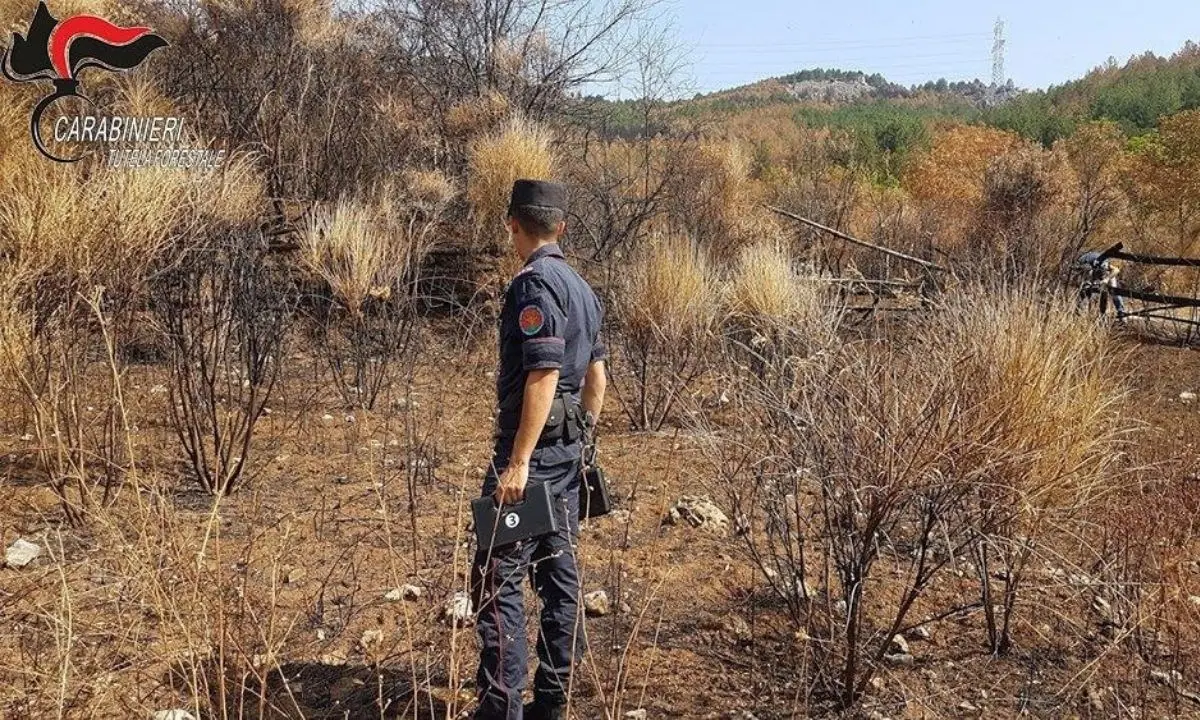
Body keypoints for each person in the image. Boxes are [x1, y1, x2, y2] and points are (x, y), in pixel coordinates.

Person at [471, 179, 607, 720]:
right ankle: (551, 702)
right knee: (559, 578)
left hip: (534, 462)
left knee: (496, 580)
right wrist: (581, 435)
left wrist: (521, 460)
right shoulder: (580, 287)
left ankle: (502, 708)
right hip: (568, 456)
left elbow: (543, 373)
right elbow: (596, 378)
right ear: (561, 226)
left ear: (512, 224)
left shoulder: (534, 285)